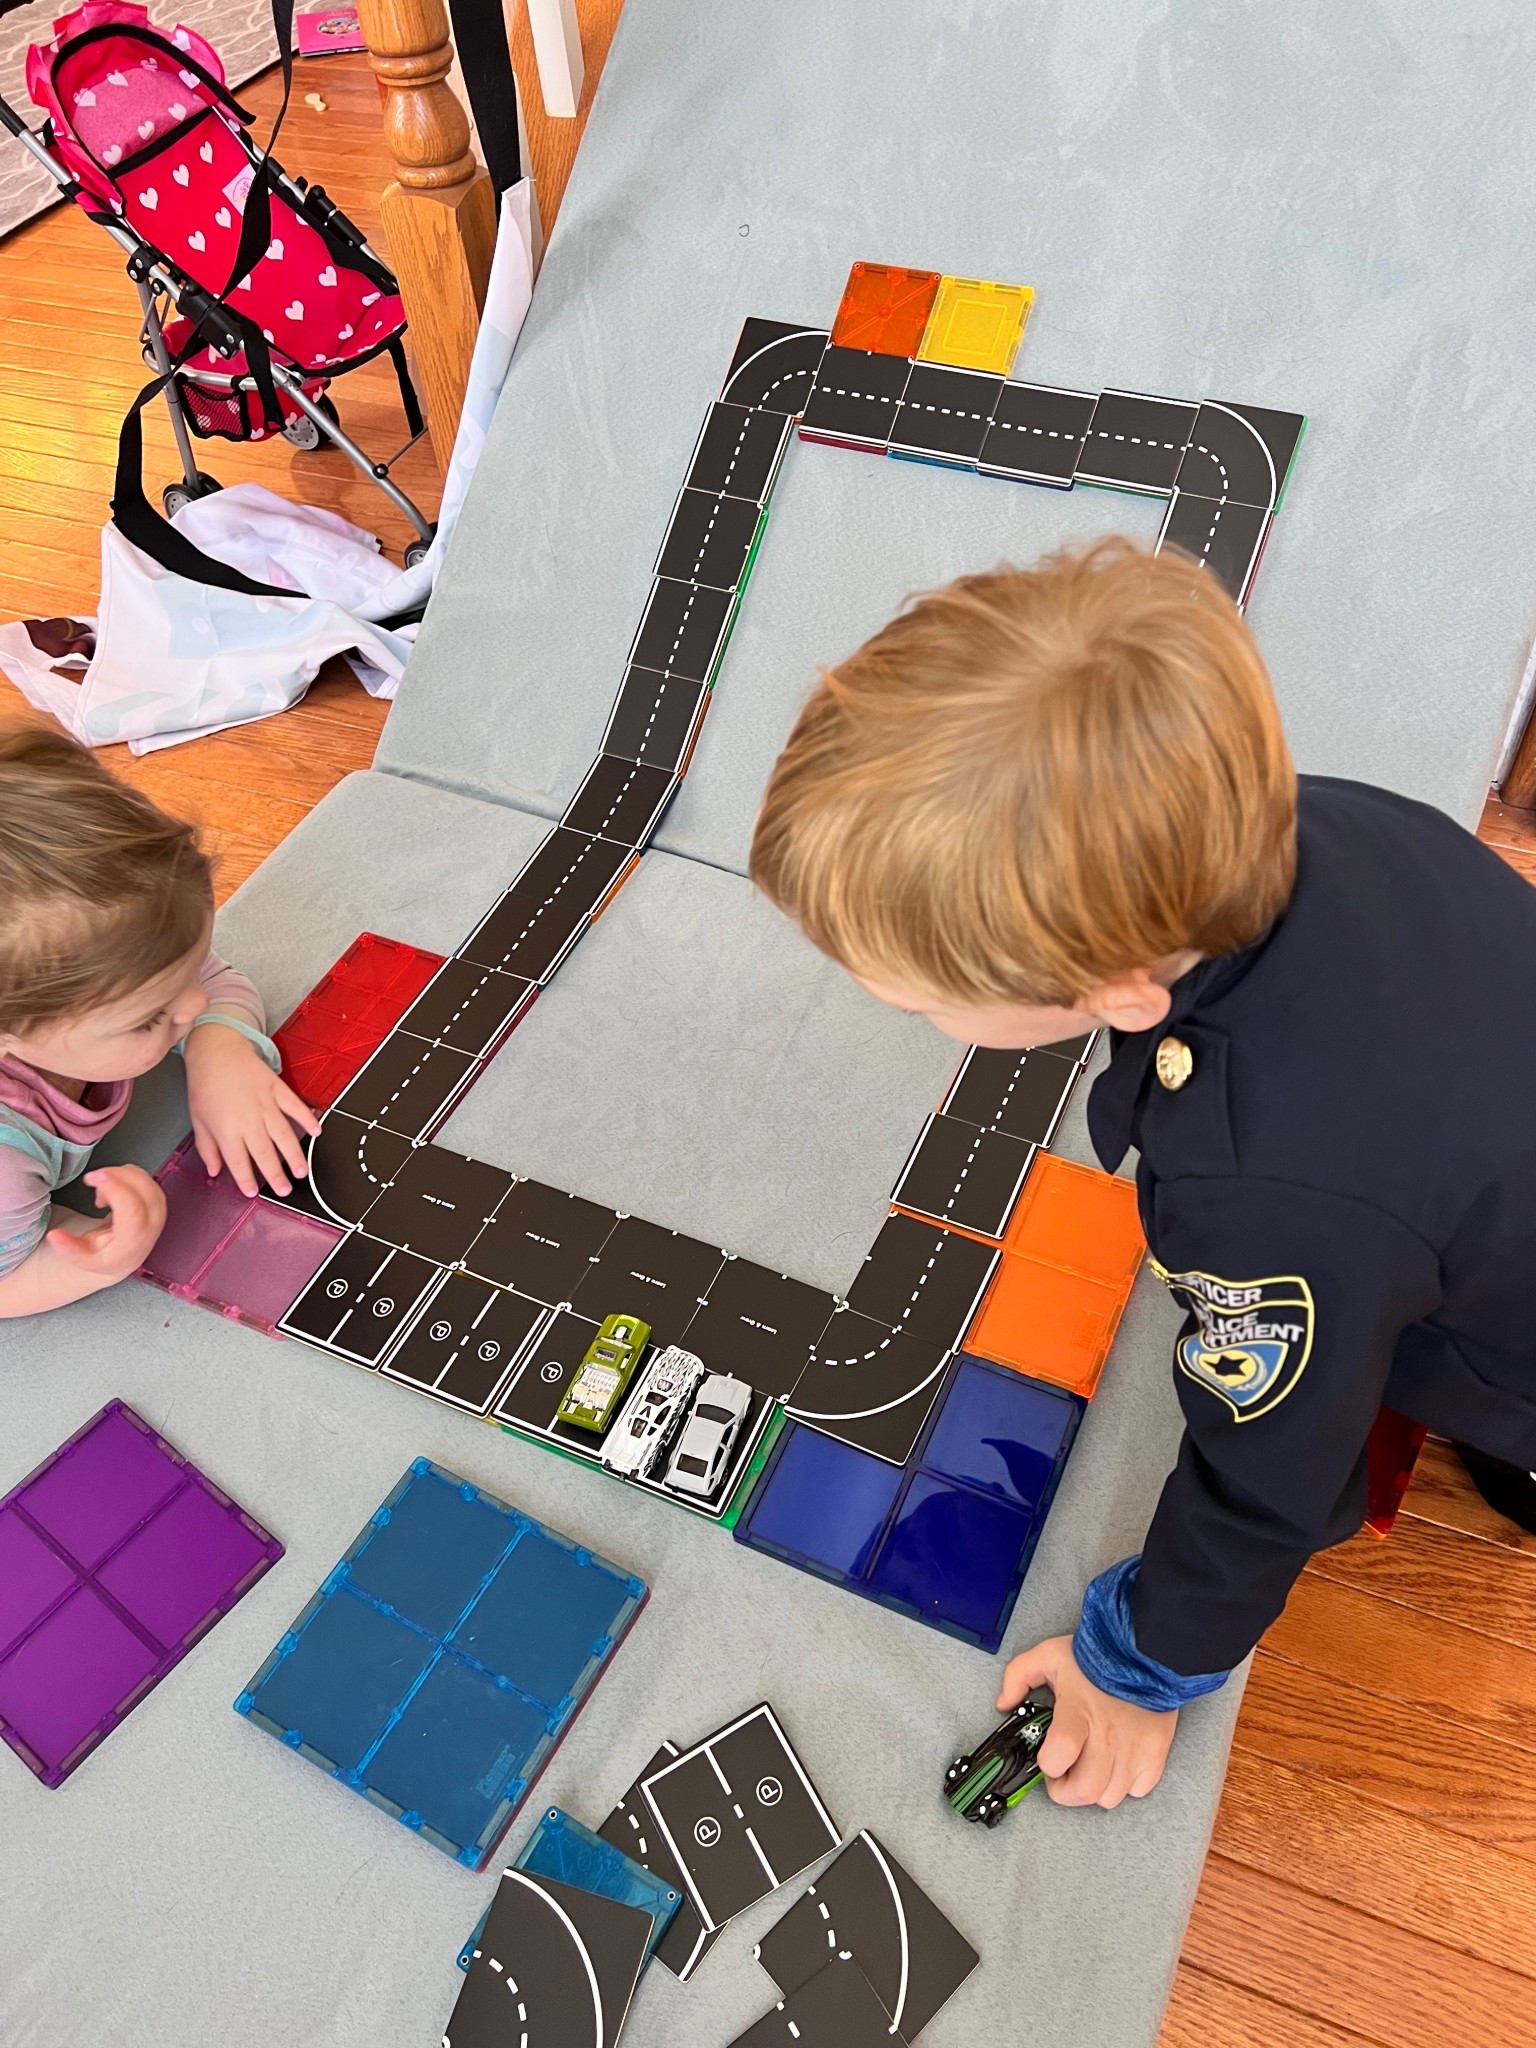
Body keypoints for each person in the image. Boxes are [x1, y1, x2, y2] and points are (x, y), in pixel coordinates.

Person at [750, 537, 1536, 1810]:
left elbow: (1275, 1467)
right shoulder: (1310, 818)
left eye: (921, 998)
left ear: (1119, 989)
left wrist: (1138, 1662)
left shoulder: (1260, 1191)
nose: (892, 1004)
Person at [0, 720, 319, 1317]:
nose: (194, 1006)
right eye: (150, 1019)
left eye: (186, 970)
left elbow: (216, 985)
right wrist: (98, 1257)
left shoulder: (111, 971)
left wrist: (218, 1051)